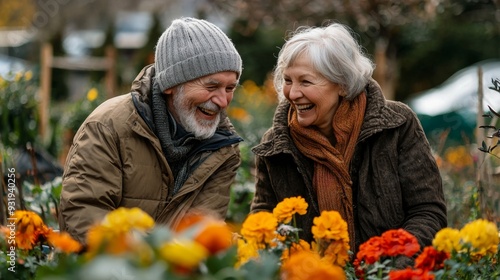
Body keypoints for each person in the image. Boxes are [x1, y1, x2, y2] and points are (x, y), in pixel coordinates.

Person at [250, 22, 447, 265]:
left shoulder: (396, 126)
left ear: (342, 84)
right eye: (288, 80)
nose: (292, 93)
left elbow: (427, 212)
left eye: (306, 82)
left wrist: (390, 268)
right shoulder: (276, 144)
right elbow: (263, 219)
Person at [59, 17, 243, 245]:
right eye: (211, 86)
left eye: (230, 88)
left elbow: (202, 233)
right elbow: (84, 216)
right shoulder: (107, 127)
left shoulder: (223, 148)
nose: (223, 101)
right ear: (171, 85)